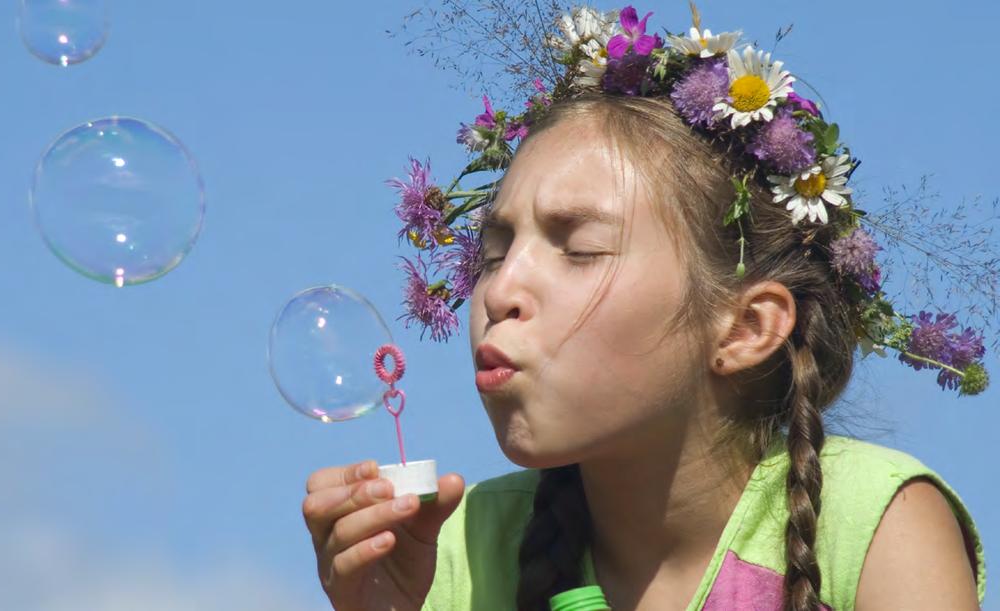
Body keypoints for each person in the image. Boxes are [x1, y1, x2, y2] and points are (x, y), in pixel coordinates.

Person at [302, 6, 987, 610]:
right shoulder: (451, 555)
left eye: (579, 249)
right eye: (492, 253)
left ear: (747, 327)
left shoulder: (875, 525)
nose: (500, 291)